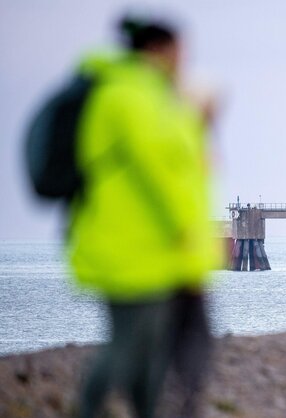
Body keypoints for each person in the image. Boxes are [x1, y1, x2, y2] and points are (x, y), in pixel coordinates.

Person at [67, 12, 220, 418]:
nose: (183, 61)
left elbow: (185, 168)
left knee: (151, 348)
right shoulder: (131, 97)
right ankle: (91, 410)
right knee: (130, 346)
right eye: (179, 52)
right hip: (137, 246)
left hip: (154, 247)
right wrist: (189, 231)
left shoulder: (151, 98)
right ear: (158, 50)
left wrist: (200, 122)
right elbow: (161, 174)